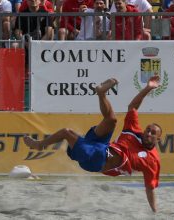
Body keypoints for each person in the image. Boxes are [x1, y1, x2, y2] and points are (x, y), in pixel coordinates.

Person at [23, 76, 162, 212]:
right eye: (148, 130)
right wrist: (148, 88)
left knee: (66, 132)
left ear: (158, 139)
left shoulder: (153, 161)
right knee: (112, 120)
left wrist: (154, 210)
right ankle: (101, 93)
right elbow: (133, 107)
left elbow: (150, 188)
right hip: (101, 145)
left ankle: (39, 145)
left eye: (153, 133)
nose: (149, 133)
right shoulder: (134, 130)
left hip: (96, 161)